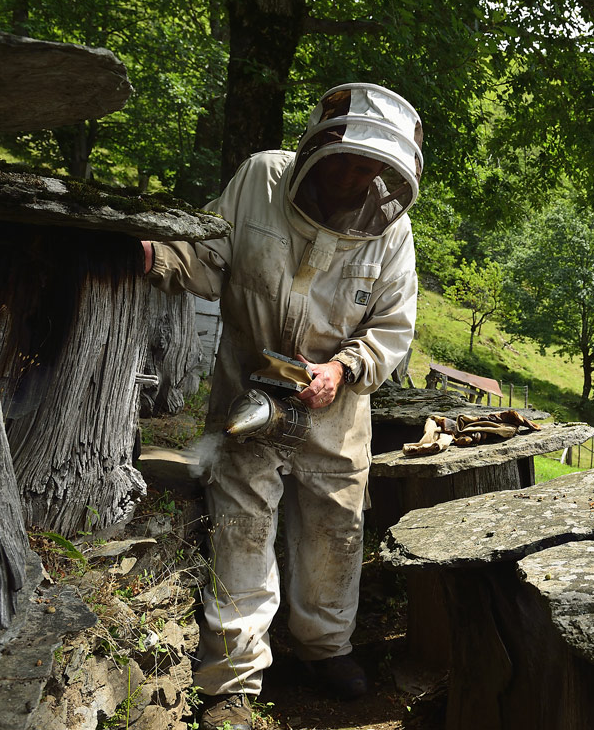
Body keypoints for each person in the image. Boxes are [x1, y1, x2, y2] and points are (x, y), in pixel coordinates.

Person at [142, 83, 422, 730]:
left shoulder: (393, 231)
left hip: (336, 411)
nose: (358, 175)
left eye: (371, 167)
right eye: (348, 160)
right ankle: (233, 685)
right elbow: (208, 256)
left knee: (334, 534)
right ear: (318, 147)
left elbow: (392, 329)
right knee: (241, 531)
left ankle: (326, 648)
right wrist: (156, 255)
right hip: (249, 394)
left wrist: (343, 368)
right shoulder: (261, 179)